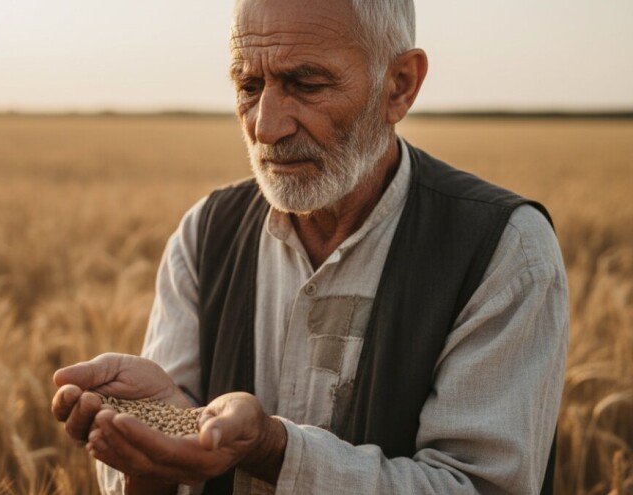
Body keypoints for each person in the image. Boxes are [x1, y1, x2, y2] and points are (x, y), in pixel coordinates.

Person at [51, 0, 569, 493]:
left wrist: (273, 449)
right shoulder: (205, 233)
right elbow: (157, 476)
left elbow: (479, 487)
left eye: (306, 83)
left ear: (399, 86)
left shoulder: (504, 250)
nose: (266, 126)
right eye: (248, 85)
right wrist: (149, 447)